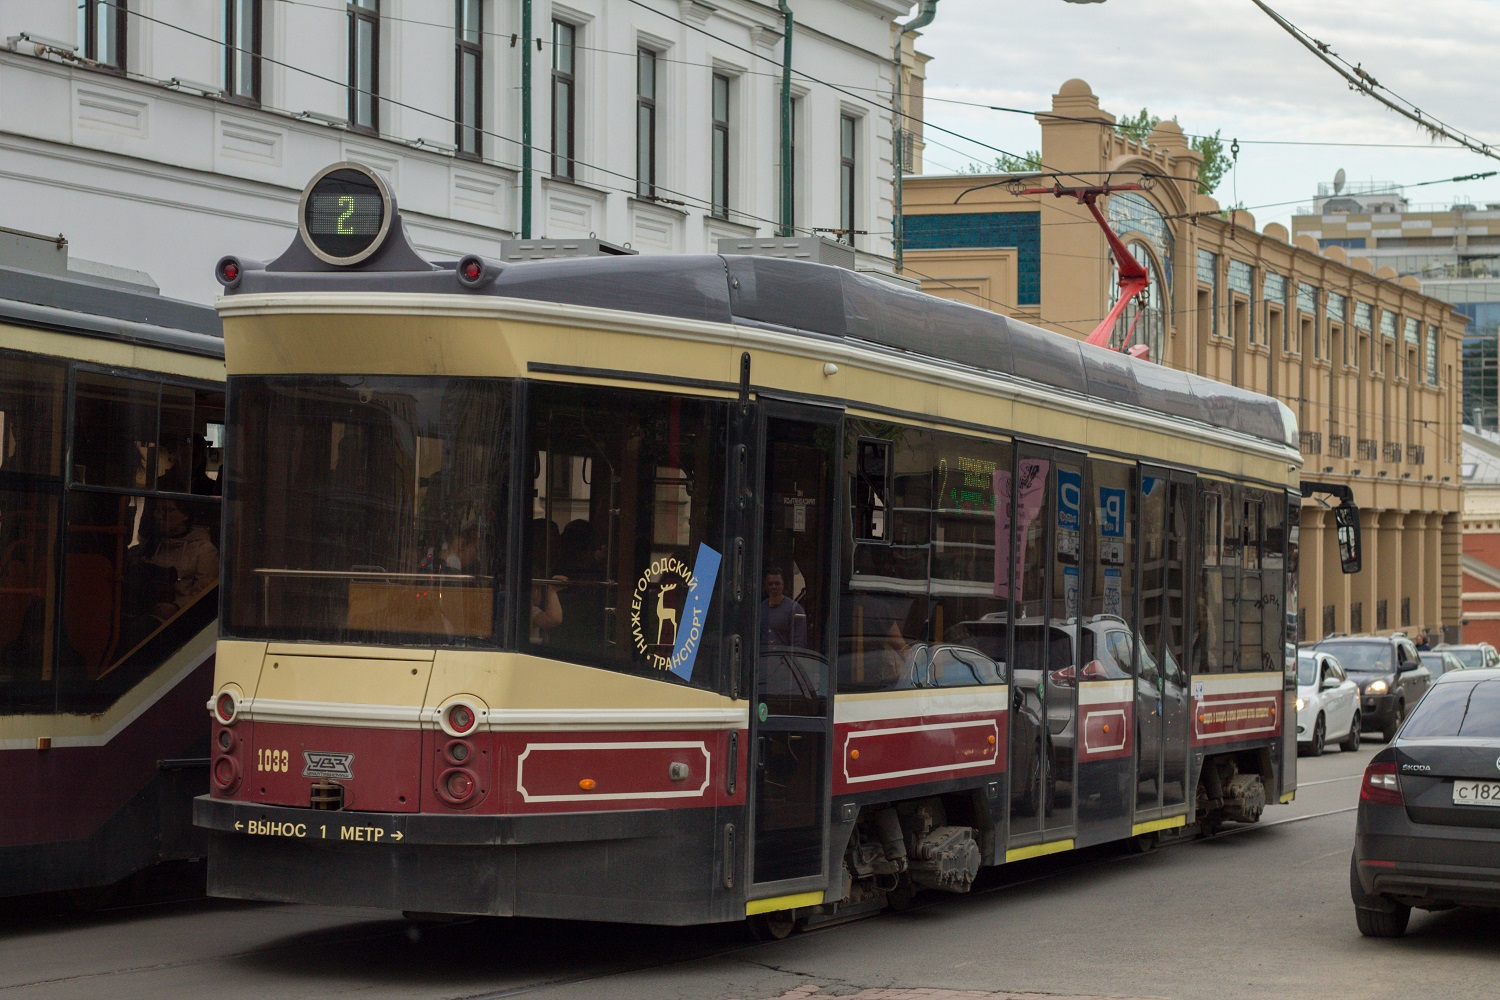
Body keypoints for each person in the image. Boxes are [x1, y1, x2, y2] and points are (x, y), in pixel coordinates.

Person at [145, 498, 219, 618]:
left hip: (179, 617)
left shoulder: (204, 549)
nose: (160, 517)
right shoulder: (154, 545)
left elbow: (204, 590)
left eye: (167, 511)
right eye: (158, 511)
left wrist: (177, 606)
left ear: (185, 515)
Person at [759, 568, 807, 648]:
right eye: (770, 584)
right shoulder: (759, 609)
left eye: (777, 583)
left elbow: (798, 646)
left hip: (784, 659)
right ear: (766, 586)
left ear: (783, 585)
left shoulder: (795, 610)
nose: (773, 587)